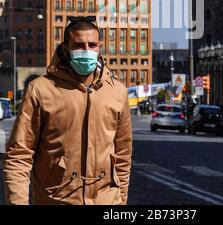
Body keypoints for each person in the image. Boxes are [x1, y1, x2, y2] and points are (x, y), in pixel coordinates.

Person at [3, 16, 132, 205]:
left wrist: (121, 202)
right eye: (79, 45)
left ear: (100, 48)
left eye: (92, 45)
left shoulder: (117, 91)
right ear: (65, 48)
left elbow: (123, 155)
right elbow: (18, 155)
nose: (86, 51)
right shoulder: (41, 89)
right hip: (56, 199)